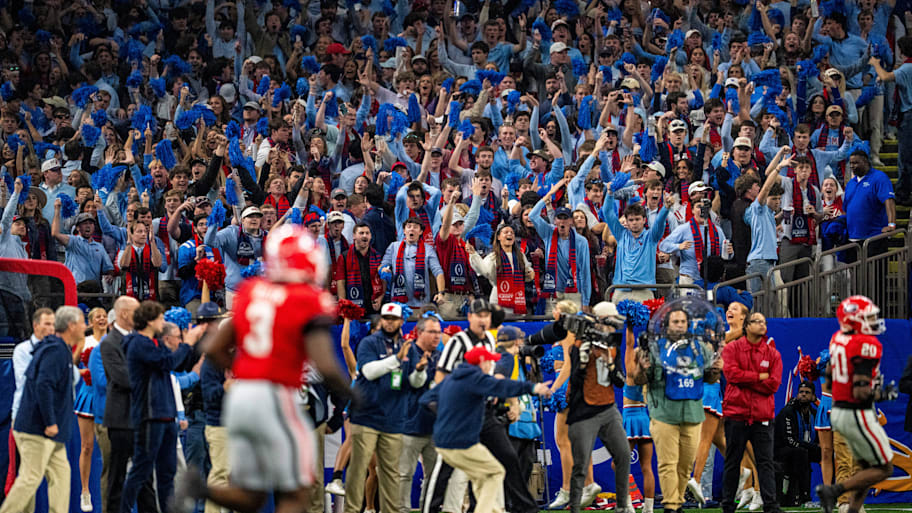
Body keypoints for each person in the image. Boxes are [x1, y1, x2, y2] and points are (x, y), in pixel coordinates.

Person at [175, 225, 352, 513]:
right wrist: (351, 395)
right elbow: (325, 361)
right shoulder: (307, 298)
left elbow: (213, 349)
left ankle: (199, 487)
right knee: (297, 491)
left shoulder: (251, 292)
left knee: (252, 496)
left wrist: (248, 372)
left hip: (244, 399)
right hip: (279, 397)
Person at [420, 346, 551, 513]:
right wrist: (533, 388)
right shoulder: (475, 377)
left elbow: (426, 400)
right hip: (462, 444)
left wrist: (447, 415)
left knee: (482, 476)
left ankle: (491, 509)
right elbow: (502, 385)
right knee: (495, 472)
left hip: (444, 443)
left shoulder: (452, 378)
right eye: (490, 361)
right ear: (481, 362)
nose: (492, 365)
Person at [630, 308, 722, 513]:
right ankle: (671, 506)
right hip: (664, 413)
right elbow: (638, 380)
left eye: (683, 321)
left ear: (688, 324)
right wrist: (641, 369)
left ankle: (677, 501)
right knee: (668, 462)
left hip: (692, 413)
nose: (679, 325)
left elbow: (708, 378)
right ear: (667, 325)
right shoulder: (655, 348)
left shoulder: (700, 348)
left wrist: (716, 371)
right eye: (675, 321)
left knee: (686, 464)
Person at [120, 301, 205, 513]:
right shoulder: (138, 343)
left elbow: (172, 363)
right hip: (149, 415)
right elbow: (167, 363)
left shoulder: (155, 343)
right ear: (149, 321)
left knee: (167, 472)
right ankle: (121, 508)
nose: (162, 322)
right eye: (159, 318)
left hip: (166, 415)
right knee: (141, 468)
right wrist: (188, 343)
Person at [0, 306, 84, 513]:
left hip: (49, 426)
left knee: (61, 476)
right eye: (82, 322)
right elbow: (42, 385)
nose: (85, 326)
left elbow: (71, 379)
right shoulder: (49, 350)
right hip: (36, 424)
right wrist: (50, 422)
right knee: (30, 477)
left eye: (52, 323)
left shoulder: (58, 348)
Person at [816, 296, 894, 513]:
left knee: (865, 466)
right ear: (854, 320)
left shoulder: (837, 338)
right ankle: (834, 491)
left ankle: (852, 509)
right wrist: (883, 394)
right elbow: (860, 390)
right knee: (884, 467)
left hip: (839, 408)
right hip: (855, 410)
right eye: (868, 317)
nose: (873, 321)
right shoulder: (867, 343)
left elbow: (831, 373)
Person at [564, 302, 632, 513]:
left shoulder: (612, 344)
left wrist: (610, 364)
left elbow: (620, 381)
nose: (613, 326)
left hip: (608, 408)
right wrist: (583, 362)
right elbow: (574, 381)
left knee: (623, 455)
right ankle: (574, 507)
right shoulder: (579, 344)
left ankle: (622, 506)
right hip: (584, 411)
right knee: (581, 465)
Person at [345, 302, 409, 513]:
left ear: (401, 321)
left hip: (393, 419)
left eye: (393, 319)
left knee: (390, 472)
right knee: (359, 468)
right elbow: (369, 371)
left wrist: (418, 370)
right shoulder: (369, 343)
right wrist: (396, 360)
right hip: (366, 417)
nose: (389, 323)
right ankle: (352, 510)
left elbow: (413, 382)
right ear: (381, 320)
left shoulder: (407, 346)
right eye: (386, 318)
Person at [720, 312, 783, 513]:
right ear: (746, 326)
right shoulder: (732, 349)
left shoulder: (772, 353)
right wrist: (759, 377)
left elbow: (773, 384)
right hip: (736, 414)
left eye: (764, 321)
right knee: (733, 461)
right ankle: (727, 505)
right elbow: (731, 375)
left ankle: (771, 505)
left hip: (762, 416)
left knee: (765, 462)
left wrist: (746, 379)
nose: (762, 325)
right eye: (757, 321)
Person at [398, 315, 441, 513]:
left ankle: (427, 510)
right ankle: (402, 510)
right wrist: (418, 370)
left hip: (435, 427)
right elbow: (400, 384)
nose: (437, 336)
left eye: (439, 332)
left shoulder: (439, 357)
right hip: (410, 424)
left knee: (433, 477)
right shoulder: (407, 353)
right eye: (432, 332)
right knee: (404, 474)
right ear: (420, 332)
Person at [774, 381, 820, 506]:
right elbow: (789, 440)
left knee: (828, 455)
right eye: (801, 392)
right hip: (781, 450)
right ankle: (805, 497)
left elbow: (819, 439)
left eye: (807, 393)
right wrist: (814, 448)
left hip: (802, 449)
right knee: (801, 453)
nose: (803, 395)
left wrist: (820, 449)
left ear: (813, 396)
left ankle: (835, 494)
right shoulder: (788, 411)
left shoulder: (814, 414)